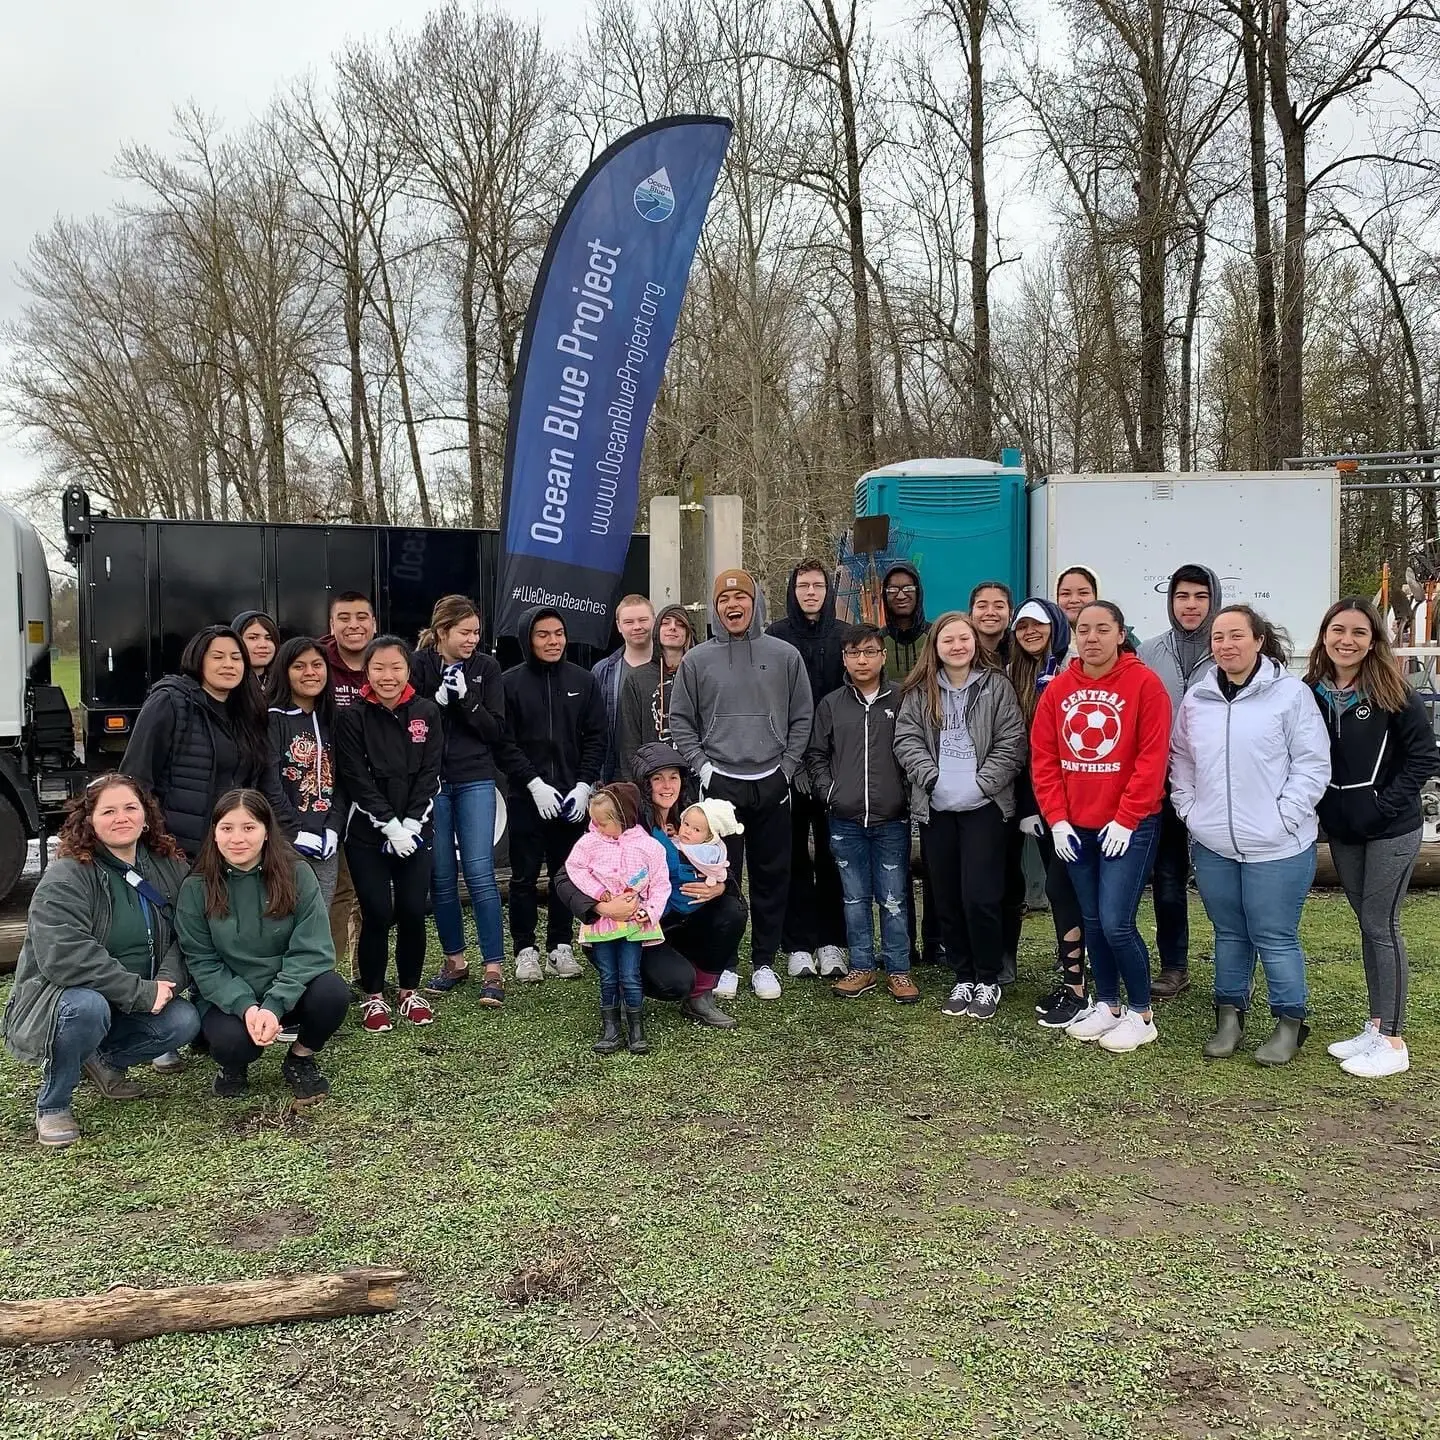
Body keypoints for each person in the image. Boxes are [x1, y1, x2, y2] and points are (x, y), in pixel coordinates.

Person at [1169, 605, 1330, 1065]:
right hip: (1214, 841)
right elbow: (1181, 760)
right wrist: (1190, 810)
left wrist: (1285, 816)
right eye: (1218, 638)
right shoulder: (1199, 699)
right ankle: (1229, 1018)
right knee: (1229, 933)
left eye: (1236, 635)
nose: (1226, 645)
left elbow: (1312, 763)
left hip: (1279, 844)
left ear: (1259, 640)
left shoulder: (1290, 695)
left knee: (1273, 933)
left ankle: (1289, 1022)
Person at [3, 777, 200, 1148]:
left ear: (146, 816)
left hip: (135, 999)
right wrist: (139, 992)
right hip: (66, 1000)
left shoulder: (168, 866)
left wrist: (166, 985)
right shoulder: (68, 874)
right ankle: (54, 1103)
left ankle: (102, 1059)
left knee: (184, 1020)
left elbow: (189, 933)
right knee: (86, 1008)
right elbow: (65, 954)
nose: (120, 818)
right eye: (108, 811)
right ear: (89, 819)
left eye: (130, 808)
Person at [1030, 600, 1172, 1054]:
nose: (1091, 638)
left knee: (1115, 922)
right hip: (1076, 829)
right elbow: (1045, 758)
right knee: (1091, 921)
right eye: (1083, 630)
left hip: (1129, 828)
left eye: (1101, 629)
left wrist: (1128, 818)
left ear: (1119, 633)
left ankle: (1141, 1013)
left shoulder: (1144, 685)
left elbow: (1152, 760)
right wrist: (1056, 820)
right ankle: (1108, 1004)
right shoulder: (1059, 689)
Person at [1306, 599, 1437, 1078]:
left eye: (1359, 632)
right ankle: (1377, 1023)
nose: (1347, 640)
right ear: (1324, 636)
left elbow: (1424, 758)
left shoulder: (1393, 690)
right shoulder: (1310, 692)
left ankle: (1394, 1041)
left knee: (1382, 925)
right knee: (1368, 925)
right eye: (1338, 630)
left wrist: (1383, 803)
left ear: (1374, 640)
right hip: (1343, 831)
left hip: (1391, 829)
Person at [670, 569, 813, 1000]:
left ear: (755, 604)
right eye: (725, 600)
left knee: (772, 875)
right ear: (715, 609)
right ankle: (726, 962)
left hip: (771, 780)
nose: (734, 606)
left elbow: (802, 716)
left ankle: (764, 962)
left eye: (742, 599)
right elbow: (680, 719)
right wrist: (703, 767)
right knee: (720, 876)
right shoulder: (697, 661)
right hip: (719, 784)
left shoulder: (785, 655)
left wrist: (787, 769)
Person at [550, 743, 742, 1029]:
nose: (667, 786)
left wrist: (720, 887)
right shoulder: (624, 817)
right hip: (625, 925)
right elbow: (564, 876)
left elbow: (715, 862)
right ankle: (628, 990)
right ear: (644, 783)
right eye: (658, 778)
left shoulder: (691, 818)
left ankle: (700, 997)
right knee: (676, 982)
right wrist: (601, 906)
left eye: (673, 777)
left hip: (670, 918)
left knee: (732, 910)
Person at [894, 611, 1027, 1020]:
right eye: (947, 639)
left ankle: (988, 979)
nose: (957, 646)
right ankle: (963, 975)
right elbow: (906, 739)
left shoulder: (996, 687)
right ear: (935, 647)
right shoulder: (919, 692)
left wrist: (982, 785)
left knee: (981, 897)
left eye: (963, 638)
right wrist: (932, 779)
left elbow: (1012, 742)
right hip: (937, 809)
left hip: (984, 809)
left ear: (974, 643)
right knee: (947, 897)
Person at [176, 789, 347, 1100]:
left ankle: (300, 1058)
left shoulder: (297, 874)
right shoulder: (196, 888)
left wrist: (274, 1004)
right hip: (230, 1000)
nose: (237, 838)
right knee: (233, 1043)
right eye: (227, 828)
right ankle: (232, 1066)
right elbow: (203, 962)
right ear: (214, 833)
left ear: (267, 832)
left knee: (332, 992)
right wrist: (247, 1007)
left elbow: (312, 949)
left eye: (249, 827)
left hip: (288, 992)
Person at [333, 634, 444, 1034]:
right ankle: (373, 995)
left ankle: (410, 991)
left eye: (396, 667)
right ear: (367, 671)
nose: (387, 675)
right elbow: (355, 777)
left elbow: (431, 771)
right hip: (367, 833)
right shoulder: (352, 717)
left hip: (416, 831)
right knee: (377, 913)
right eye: (378, 667)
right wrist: (389, 824)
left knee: (414, 911)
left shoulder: (426, 712)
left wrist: (411, 824)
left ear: (408, 670)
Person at [805, 623, 919, 1003]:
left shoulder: (902, 699)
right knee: (853, 898)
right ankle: (862, 967)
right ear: (845, 658)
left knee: (894, 897)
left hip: (891, 819)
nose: (862, 659)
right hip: (845, 819)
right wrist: (830, 792)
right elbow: (817, 755)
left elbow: (916, 749)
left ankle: (899, 970)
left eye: (870, 651)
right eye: (854, 653)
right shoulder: (832, 704)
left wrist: (905, 795)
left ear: (883, 655)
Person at [499, 606, 607, 983]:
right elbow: (504, 742)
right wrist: (532, 783)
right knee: (524, 877)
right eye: (543, 634)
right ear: (528, 638)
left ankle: (561, 947)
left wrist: (583, 784)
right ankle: (524, 950)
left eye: (558, 633)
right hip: (527, 798)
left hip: (571, 799)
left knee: (568, 875)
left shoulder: (584, 680)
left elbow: (596, 737)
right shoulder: (509, 682)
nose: (552, 641)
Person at [122, 624, 290, 860]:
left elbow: (262, 783)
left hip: (231, 850)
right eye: (218, 657)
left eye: (236, 658)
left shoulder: (247, 712)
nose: (229, 665)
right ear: (198, 660)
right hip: (177, 852)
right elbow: (136, 778)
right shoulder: (170, 702)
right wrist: (150, 842)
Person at [411, 595, 507, 1004]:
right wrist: (435, 702)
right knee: (442, 876)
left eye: (477, 633)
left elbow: (496, 731)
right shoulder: (417, 666)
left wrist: (468, 700)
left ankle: (494, 968)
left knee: (481, 872)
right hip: (433, 781)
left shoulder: (486, 668)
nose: (472, 640)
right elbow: (409, 721)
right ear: (442, 632)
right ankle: (455, 961)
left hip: (475, 778)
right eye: (465, 632)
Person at [1138, 564, 1222, 1000]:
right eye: (1182, 596)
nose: (1191, 606)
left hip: (1219, 784)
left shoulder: (1229, 648)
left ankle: (1234, 969)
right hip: (1163, 784)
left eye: (1200, 597)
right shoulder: (1150, 649)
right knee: (1167, 878)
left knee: (1221, 880)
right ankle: (1174, 966)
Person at [1007, 599, 1090, 1029]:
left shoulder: (1075, 668)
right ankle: (1073, 975)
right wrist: (1028, 806)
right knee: (1061, 889)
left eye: (1037, 625)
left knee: (1073, 888)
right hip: (1042, 800)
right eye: (1021, 627)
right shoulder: (1013, 673)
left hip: (1084, 800)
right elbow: (1024, 750)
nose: (1029, 632)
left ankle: (1082, 983)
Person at [767, 559, 849, 980]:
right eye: (803, 585)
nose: (811, 592)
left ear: (827, 590)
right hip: (788, 765)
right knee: (794, 855)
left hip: (836, 766)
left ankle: (832, 940)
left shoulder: (844, 637)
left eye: (818, 585)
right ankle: (797, 942)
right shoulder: (775, 637)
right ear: (793, 590)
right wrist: (788, 759)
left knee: (834, 854)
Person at [564, 783, 671, 1055]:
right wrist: (599, 896)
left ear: (624, 817)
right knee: (608, 975)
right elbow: (574, 868)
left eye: (603, 823)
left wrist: (649, 910)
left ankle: (636, 1028)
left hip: (635, 924)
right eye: (595, 822)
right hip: (602, 923)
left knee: (631, 974)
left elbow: (660, 884)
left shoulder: (649, 847)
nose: (597, 827)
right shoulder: (589, 843)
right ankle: (610, 1028)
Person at [319, 591, 376, 987]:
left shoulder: (386, 663)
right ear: (331, 625)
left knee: (368, 889)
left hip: (376, 792)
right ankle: (329, 978)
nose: (353, 625)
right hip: (330, 792)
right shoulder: (318, 665)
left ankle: (366, 973)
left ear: (374, 623)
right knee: (338, 888)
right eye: (344, 617)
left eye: (362, 617)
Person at [266, 637, 346, 907]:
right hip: (285, 839)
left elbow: (345, 780)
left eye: (317, 665)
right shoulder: (272, 718)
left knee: (319, 915)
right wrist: (294, 831)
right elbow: (269, 782)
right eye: (299, 666)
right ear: (284, 671)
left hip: (326, 841)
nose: (310, 672)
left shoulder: (334, 718)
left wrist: (334, 828)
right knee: (286, 913)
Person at [617, 604, 698, 778]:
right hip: (653, 777)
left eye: (680, 624)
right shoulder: (637, 678)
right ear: (657, 631)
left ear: (688, 633)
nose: (673, 628)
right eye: (666, 623)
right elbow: (629, 741)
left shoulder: (701, 675)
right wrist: (634, 784)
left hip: (696, 774)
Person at [593, 594, 655, 782]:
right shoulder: (602, 671)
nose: (637, 626)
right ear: (619, 626)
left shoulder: (673, 666)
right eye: (629, 621)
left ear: (654, 620)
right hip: (617, 774)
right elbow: (594, 730)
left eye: (643, 620)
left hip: (665, 774)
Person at [881, 563, 930, 681]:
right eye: (892, 590)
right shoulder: (878, 641)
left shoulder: (935, 636)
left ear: (918, 592)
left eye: (908, 588)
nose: (901, 596)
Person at [674, 801, 737, 885]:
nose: (688, 831)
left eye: (696, 829)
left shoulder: (706, 852)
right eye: (686, 824)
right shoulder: (684, 841)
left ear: (709, 837)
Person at [232, 610, 281, 686]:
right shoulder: (228, 685)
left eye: (268, 638)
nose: (263, 645)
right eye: (253, 638)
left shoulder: (284, 683)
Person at [969, 581, 1014, 660]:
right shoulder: (959, 650)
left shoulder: (1022, 652)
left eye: (999, 606)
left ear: (1010, 614)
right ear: (970, 614)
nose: (990, 613)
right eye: (982, 606)